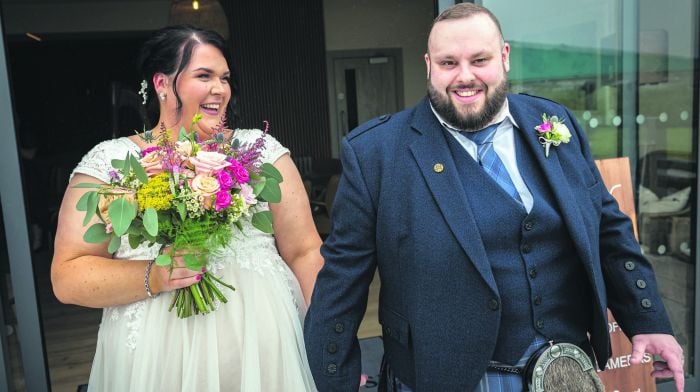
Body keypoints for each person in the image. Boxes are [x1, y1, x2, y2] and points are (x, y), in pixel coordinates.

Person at [304, 4, 684, 392]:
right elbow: (341, 283)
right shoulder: (376, 153)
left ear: (504, 56)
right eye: (448, 62)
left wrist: (648, 320)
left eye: (479, 60)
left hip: (567, 372)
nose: (464, 76)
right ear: (428, 65)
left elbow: (607, 229)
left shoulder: (555, 122)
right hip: (448, 377)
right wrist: (336, 380)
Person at [51, 25, 322, 391]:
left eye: (224, 78)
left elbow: (305, 250)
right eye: (204, 76)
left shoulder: (260, 153)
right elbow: (68, 277)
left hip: (263, 355)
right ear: (162, 83)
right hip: (158, 358)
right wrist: (158, 275)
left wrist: (326, 340)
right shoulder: (110, 163)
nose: (220, 89)